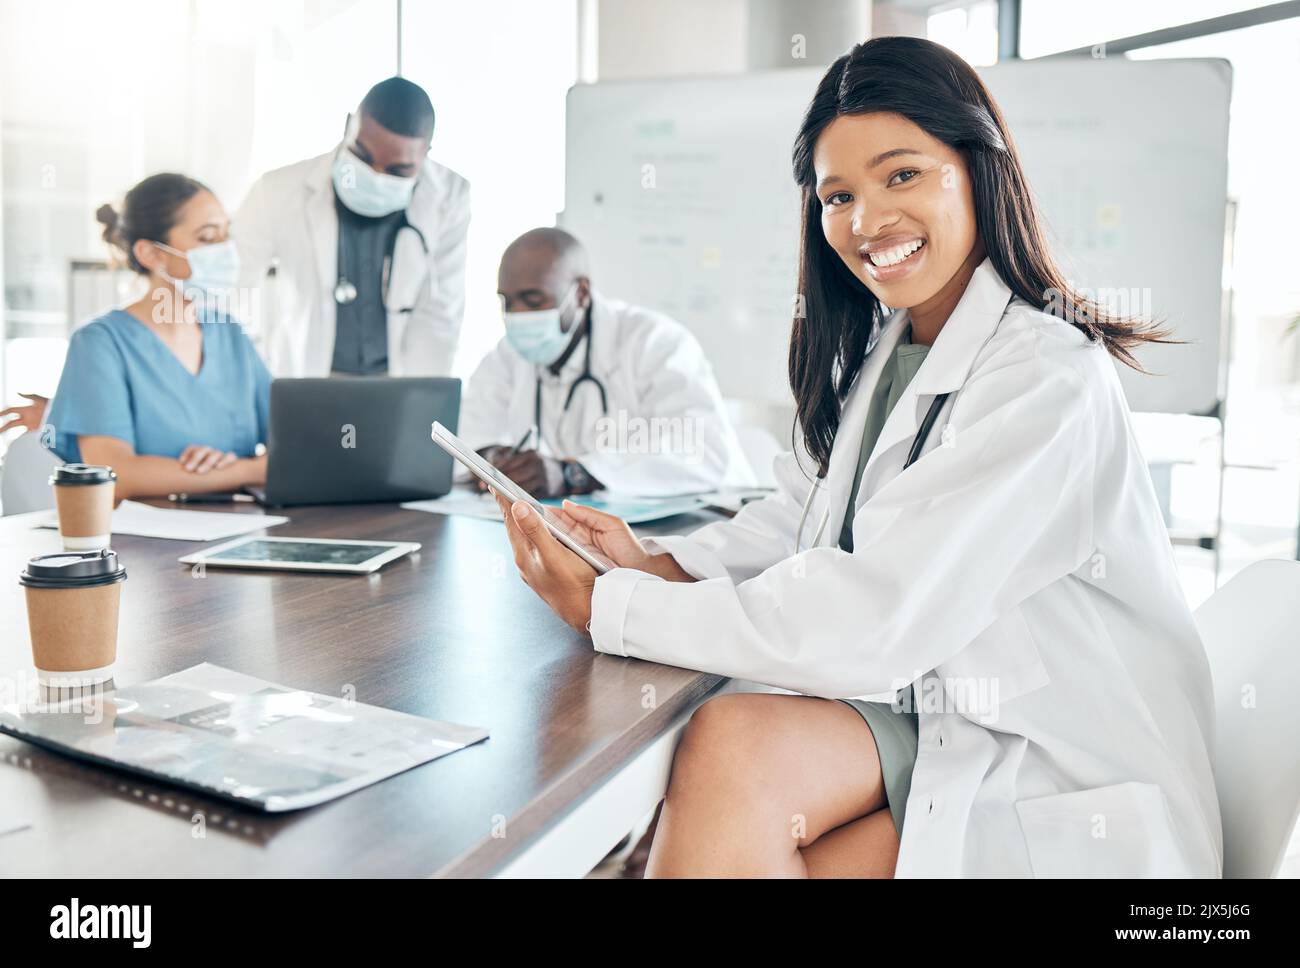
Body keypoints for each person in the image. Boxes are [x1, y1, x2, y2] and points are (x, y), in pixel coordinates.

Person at [488, 37, 1221, 878]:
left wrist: (615, 609)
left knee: (726, 771)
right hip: (943, 724)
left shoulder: (1047, 378)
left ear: (979, 167)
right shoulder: (885, 352)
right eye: (838, 195)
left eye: (901, 175)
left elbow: (882, 615)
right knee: (732, 754)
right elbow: (802, 524)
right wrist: (653, 564)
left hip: (1062, 770)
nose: (867, 221)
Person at [459, 227, 751, 498]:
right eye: (507, 302)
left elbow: (700, 451)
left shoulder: (655, 342)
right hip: (585, 531)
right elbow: (471, 434)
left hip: (709, 524)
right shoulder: (507, 355)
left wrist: (573, 475)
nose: (518, 315)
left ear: (581, 293)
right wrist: (493, 460)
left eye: (533, 300)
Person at [42, 173, 270, 500]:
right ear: (152, 254)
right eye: (207, 238)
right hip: (145, 545)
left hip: (240, 531)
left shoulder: (229, 334)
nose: (225, 251)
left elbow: (291, 444)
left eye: (226, 235)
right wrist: (247, 470)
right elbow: (115, 474)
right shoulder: (100, 343)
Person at [234, 76, 470, 377]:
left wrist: (419, 400)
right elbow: (233, 288)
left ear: (426, 154)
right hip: (307, 373)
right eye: (362, 156)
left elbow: (441, 312)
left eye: (399, 170)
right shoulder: (277, 191)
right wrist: (255, 370)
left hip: (396, 379)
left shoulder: (449, 198)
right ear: (349, 126)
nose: (376, 176)